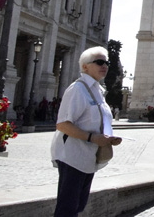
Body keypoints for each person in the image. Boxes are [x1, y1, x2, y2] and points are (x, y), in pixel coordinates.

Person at [51, 46, 122, 217]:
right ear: (85, 66)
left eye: (106, 62)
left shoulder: (98, 91)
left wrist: (107, 138)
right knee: (67, 207)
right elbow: (63, 124)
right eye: (99, 62)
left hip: (88, 156)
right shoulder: (78, 89)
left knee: (78, 205)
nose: (104, 65)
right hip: (72, 156)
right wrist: (93, 137)